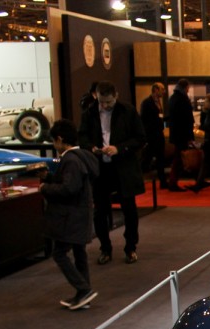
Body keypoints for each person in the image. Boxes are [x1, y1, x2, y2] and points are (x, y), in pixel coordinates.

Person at [78, 80, 146, 265]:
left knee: (129, 210)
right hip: (100, 168)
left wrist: (120, 148)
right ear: (96, 97)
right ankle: (105, 248)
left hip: (123, 167)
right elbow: (81, 136)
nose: (105, 105)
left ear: (116, 96)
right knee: (100, 211)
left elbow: (140, 138)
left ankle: (131, 247)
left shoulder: (128, 111)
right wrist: (91, 148)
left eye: (108, 101)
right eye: (101, 101)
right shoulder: (89, 113)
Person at [39, 119, 100, 310]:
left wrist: (45, 187)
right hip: (80, 214)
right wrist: (49, 178)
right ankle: (84, 292)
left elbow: (69, 188)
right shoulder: (82, 157)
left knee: (59, 253)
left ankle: (83, 289)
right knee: (79, 252)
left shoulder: (71, 159)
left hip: (70, 216)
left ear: (59, 139)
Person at [166, 78, 195, 192]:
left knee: (180, 159)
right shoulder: (182, 99)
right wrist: (189, 136)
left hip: (176, 134)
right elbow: (186, 119)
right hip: (182, 135)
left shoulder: (173, 98)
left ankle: (173, 182)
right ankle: (173, 183)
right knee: (181, 159)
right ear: (186, 87)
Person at [139, 82, 167, 188]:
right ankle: (138, 180)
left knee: (161, 159)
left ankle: (163, 182)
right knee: (146, 159)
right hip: (151, 136)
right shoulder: (146, 103)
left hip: (159, 134)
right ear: (155, 89)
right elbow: (143, 120)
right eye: (162, 89)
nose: (164, 91)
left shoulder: (159, 102)